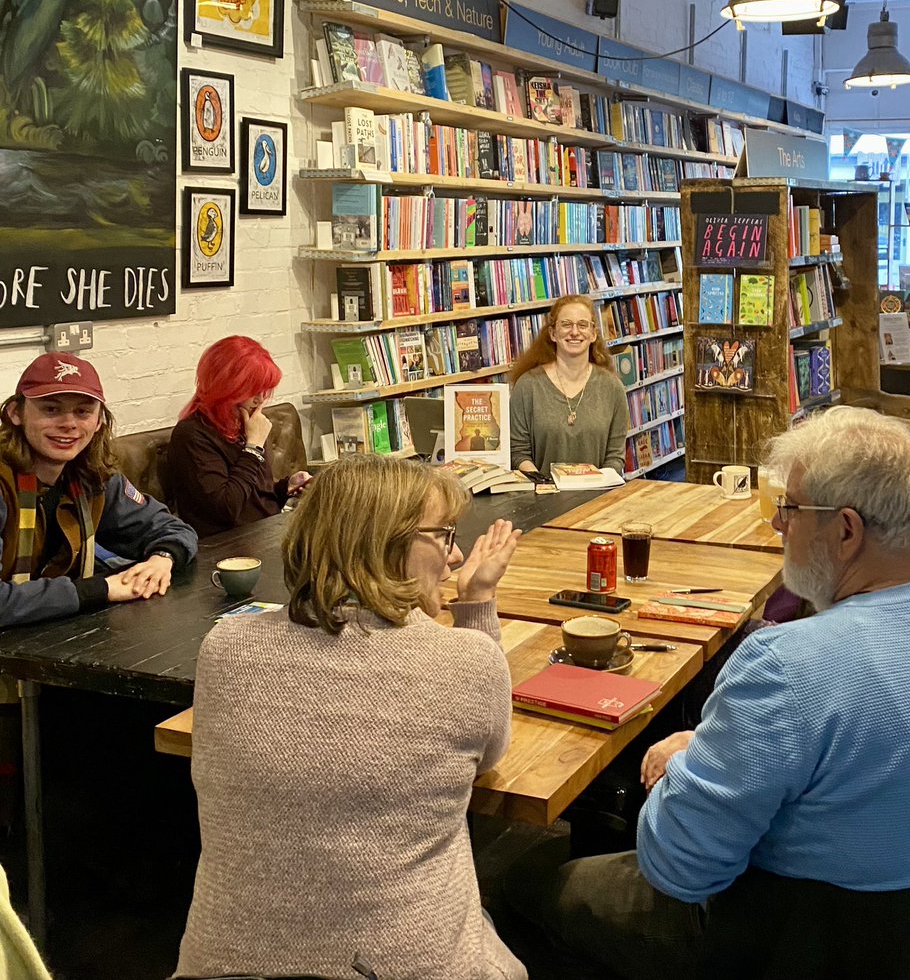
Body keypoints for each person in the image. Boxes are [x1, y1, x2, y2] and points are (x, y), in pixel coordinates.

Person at [505, 408, 910, 978]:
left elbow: (679, 869)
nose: (779, 525)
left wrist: (684, 767)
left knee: (522, 882)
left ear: (846, 529)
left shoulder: (787, 666)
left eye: (791, 508)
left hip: (812, 938)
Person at [176, 455, 527, 980]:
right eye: (445, 535)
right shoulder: (468, 661)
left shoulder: (225, 646)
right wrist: (477, 602)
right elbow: (490, 754)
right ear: (387, 543)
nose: (455, 556)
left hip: (222, 967)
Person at [0, 353, 196, 627]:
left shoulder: (94, 478)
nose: (69, 423)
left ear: (99, 421)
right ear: (15, 414)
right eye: (51, 409)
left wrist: (162, 559)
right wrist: (101, 589)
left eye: (83, 411)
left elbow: (174, 529)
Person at [169, 336, 312, 538]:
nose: (260, 399)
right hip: (227, 543)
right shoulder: (192, 435)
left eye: (264, 390)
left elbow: (254, 499)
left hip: (264, 531)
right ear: (226, 388)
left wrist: (285, 487)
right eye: (252, 390)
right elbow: (227, 508)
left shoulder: (246, 424)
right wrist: (253, 447)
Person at [509, 294, 629, 477]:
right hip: (543, 497)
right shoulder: (527, 386)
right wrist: (544, 485)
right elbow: (518, 453)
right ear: (553, 333)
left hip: (598, 497)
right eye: (566, 324)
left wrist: (594, 483)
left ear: (593, 333)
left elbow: (615, 457)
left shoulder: (612, 388)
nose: (574, 332)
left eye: (582, 325)